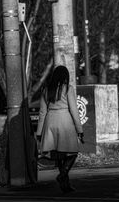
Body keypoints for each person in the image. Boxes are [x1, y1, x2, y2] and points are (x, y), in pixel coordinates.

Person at [36, 65, 84, 193]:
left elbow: (42, 112)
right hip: (65, 121)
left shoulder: (46, 90)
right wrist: (80, 130)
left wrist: (39, 132)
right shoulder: (68, 89)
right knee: (72, 152)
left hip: (50, 121)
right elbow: (74, 110)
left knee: (59, 154)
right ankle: (63, 175)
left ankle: (65, 184)